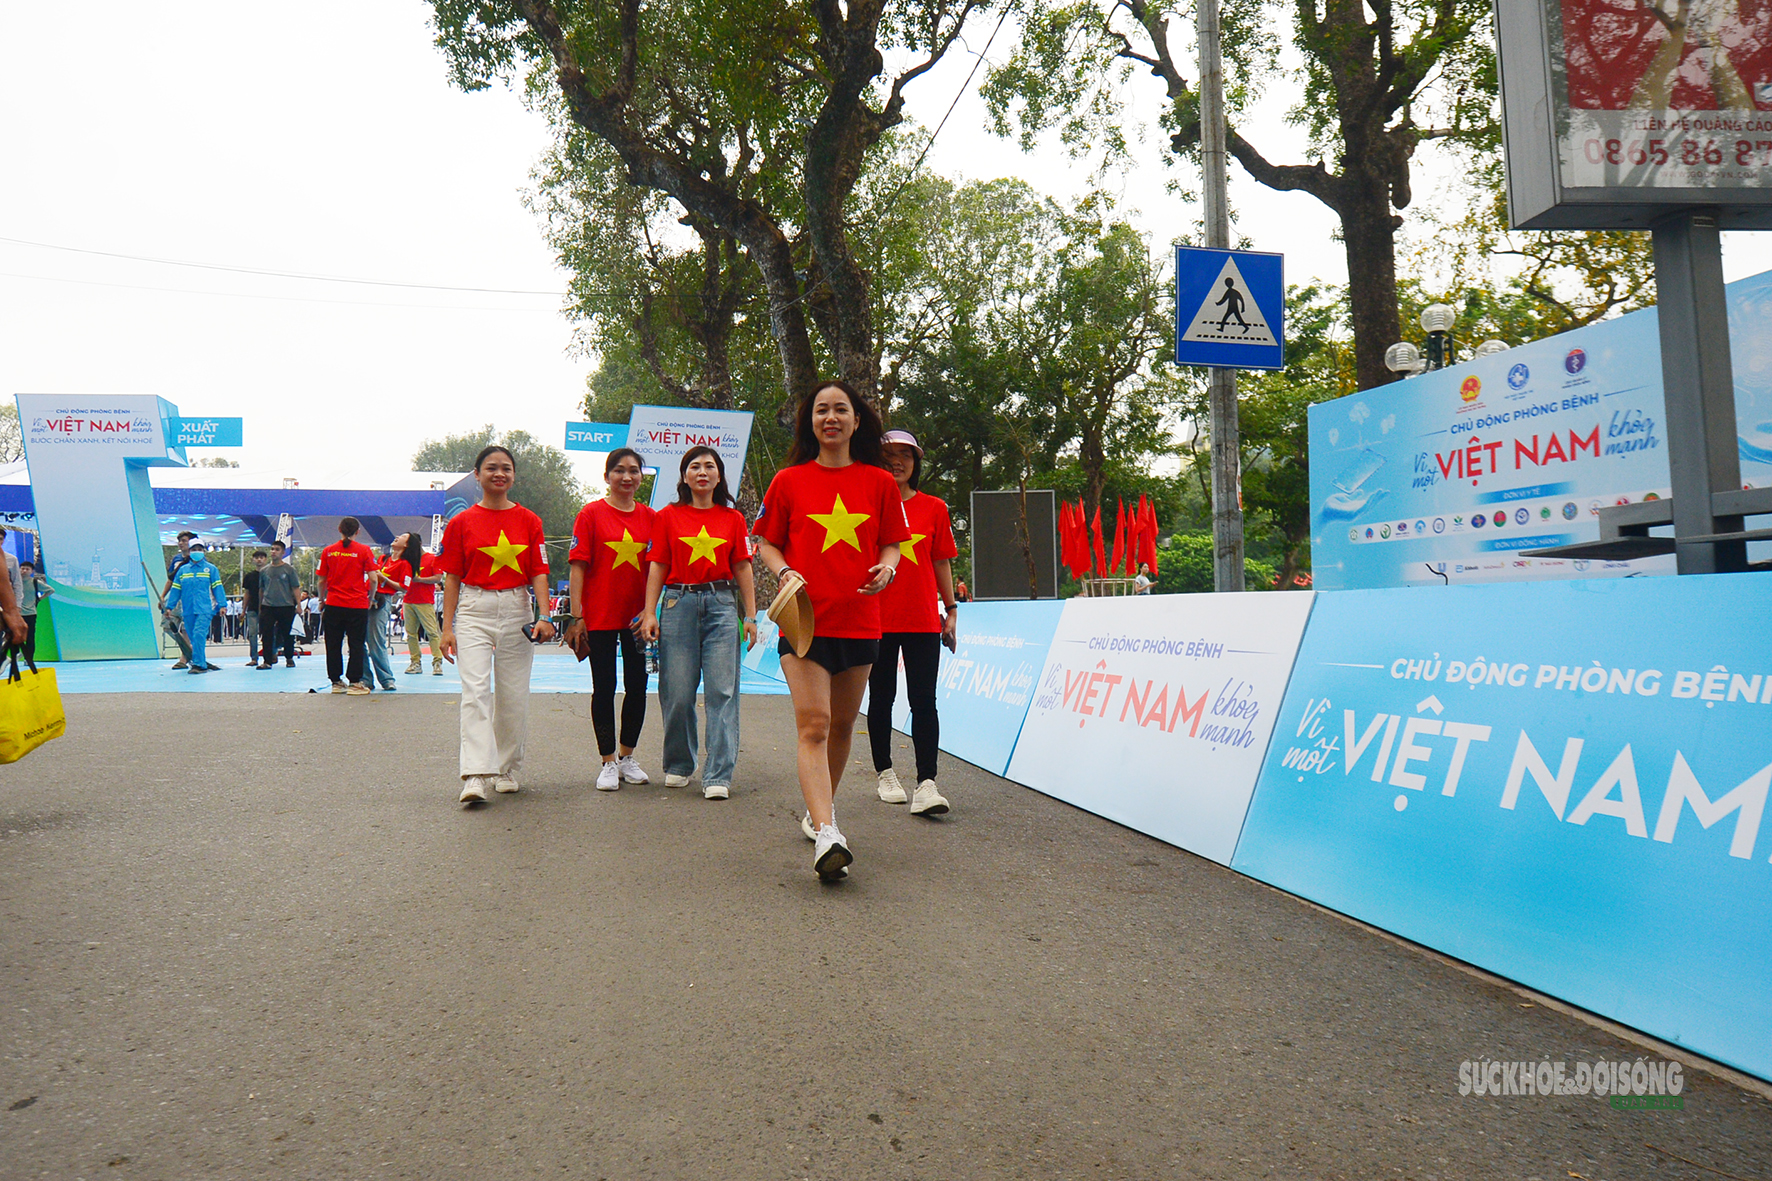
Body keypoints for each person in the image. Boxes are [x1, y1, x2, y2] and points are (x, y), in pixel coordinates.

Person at [753, 381, 909, 880]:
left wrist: (888, 569)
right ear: (811, 422)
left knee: (842, 727)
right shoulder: (788, 481)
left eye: (841, 409)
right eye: (821, 410)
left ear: (856, 421)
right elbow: (766, 543)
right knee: (815, 724)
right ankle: (828, 832)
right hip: (803, 623)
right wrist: (783, 572)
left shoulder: (880, 483)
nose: (831, 417)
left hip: (861, 621)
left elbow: (893, 544)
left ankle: (822, 811)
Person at [637, 446, 757, 801]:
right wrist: (650, 611)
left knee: (722, 691)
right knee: (677, 691)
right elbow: (657, 564)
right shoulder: (667, 516)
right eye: (694, 466)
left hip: (722, 605)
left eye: (709, 466)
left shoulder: (733, 519)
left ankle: (718, 773)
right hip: (678, 603)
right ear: (684, 476)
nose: (702, 472)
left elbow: (742, 567)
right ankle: (678, 764)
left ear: (719, 476)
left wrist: (750, 615)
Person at [438, 446, 555, 806]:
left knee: (513, 695)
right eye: (491, 468)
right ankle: (475, 774)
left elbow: (538, 570)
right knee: (475, 692)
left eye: (506, 468)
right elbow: (452, 577)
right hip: (474, 609)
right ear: (477, 474)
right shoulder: (460, 523)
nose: (499, 474)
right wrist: (447, 627)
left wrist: (545, 615)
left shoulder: (530, 521)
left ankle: (505, 768)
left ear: (514, 476)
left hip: (517, 608)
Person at [869, 429, 958, 817]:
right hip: (876, 618)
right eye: (889, 454)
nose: (898, 462)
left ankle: (927, 783)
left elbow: (941, 561)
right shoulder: (865, 507)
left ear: (916, 463)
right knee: (882, 698)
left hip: (923, 618)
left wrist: (951, 610)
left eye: (906, 455)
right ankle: (885, 772)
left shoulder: (934, 507)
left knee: (924, 701)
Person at [565, 447, 656, 791]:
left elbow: (658, 569)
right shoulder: (590, 514)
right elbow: (578, 567)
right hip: (599, 618)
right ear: (607, 477)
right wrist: (577, 616)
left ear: (641, 478)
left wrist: (651, 612)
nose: (627, 477)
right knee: (603, 688)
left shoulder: (651, 518)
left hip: (638, 620)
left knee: (639, 687)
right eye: (619, 470)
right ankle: (607, 761)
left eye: (634, 471)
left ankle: (627, 756)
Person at [317, 517, 378, 695]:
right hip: (357, 604)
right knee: (356, 644)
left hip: (334, 603)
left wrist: (322, 600)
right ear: (357, 531)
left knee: (333, 643)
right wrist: (371, 598)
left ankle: (336, 681)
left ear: (339, 529)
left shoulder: (328, 551)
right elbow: (373, 578)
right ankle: (355, 682)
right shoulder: (364, 550)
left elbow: (321, 580)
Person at [165, 540, 227, 673]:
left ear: (204, 551)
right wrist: (169, 606)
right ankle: (201, 661)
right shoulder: (183, 570)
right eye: (194, 549)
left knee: (199, 634)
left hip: (205, 609)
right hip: (187, 609)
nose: (197, 551)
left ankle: (199, 665)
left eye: (200, 549)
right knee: (193, 637)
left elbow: (217, 587)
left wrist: (222, 605)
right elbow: (176, 590)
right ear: (190, 551)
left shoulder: (211, 569)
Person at [394, 536, 444, 676]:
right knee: (411, 633)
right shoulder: (408, 560)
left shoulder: (432, 558)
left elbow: (438, 578)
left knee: (432, 632)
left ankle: (437, 662)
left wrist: (419, 580)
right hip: (409, 600)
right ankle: (415, 662)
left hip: (424, 601)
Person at [363, 541, 403, 692]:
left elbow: (403, 586)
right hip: (366, 596)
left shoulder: (405, 563)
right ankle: (365, 678)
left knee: (376, 639)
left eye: (402, 538)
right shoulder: (383, 558)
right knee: (359, 639)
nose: (397, 538)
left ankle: (386, 678)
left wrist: (383, 579)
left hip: (382, 599)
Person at [257, 541, 301, 668]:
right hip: (268, 606)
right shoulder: (264, 571)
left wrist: (298, 605)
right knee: (267, 635)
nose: (273, 552)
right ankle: (267, 661)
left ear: (283, 552)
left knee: (288, 634)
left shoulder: (289, 570)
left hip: (286, 606)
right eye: (272, 549)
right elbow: (261, 589)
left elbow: (295, 588)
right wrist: (260, 605)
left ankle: (289, 657)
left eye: (277, 549)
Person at [16, 560, 52, 658]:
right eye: (22, 568)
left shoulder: (35, 582)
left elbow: (50, 590)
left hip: (30, 613)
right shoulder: (14, 582)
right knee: (14, 636)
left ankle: (28, 658)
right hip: (16, 614)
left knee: (30, 637)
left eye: (27, 569)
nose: (24, 571)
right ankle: (16, 656)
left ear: (31, 571)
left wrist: (39, 599)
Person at [241, 551, 266, 662]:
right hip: (252, 608)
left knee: (268, 633)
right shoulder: (249, 576)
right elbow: (247, 593)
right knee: (252, 634)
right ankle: (254, 658)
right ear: (253, 560)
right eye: (256, 557)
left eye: (261, 557)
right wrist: (243, 610)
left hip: (267, 608)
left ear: (265, 559)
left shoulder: (269, 574)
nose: (259, 560)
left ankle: (270, 654)